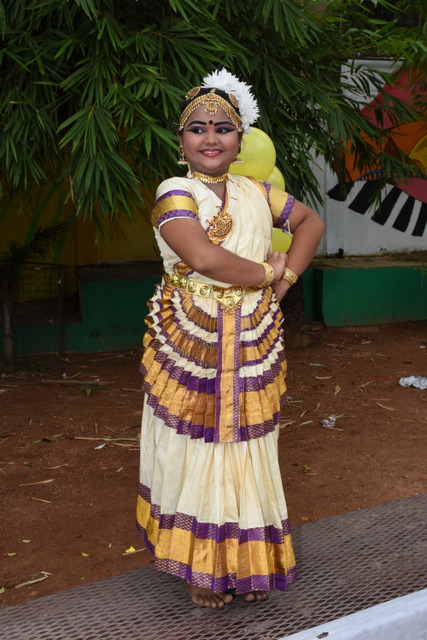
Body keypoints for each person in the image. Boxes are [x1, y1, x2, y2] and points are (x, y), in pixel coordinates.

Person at [136, 69, 325, 608]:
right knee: (194, 442)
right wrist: (268, 273)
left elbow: (310, 223)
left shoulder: (256, 192)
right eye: (197, 128)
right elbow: (202, 257)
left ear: (241, 140)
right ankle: (201, 567)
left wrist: (286, 279)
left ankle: (246, 564)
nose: (211, 138)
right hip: (193, 340)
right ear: (181, 141)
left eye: (223, 128)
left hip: (251, 335)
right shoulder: (175, 190)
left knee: (249, 442)